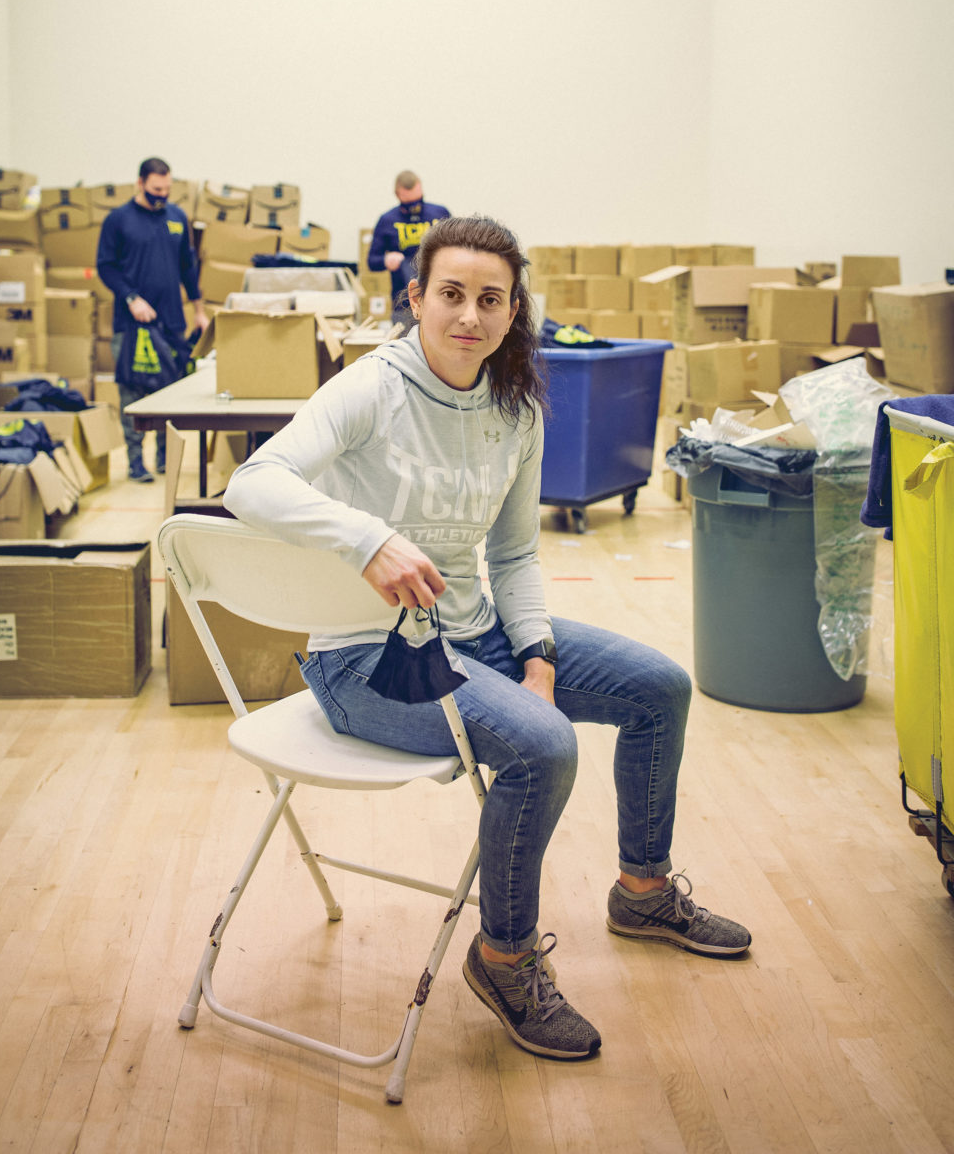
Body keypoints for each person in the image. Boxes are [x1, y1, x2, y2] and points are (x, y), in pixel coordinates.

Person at [223, 215, 751, 1063]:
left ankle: (643, 891)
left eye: (490, 299)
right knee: (544, 747)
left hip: (475, 633)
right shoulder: (371, 388)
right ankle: (503, 960)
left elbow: (513, 554)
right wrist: (367, 540)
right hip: (364, 659)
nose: (469, 315)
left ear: (513, 311)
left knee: (660, 688)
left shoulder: (517, 407)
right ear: (416, 299)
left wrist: (536, 654)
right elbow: (253, 483)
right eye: (452, 294)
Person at [97, 157, 208, 482]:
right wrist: (131, 298)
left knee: (170, 395)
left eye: (167, 189)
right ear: (140, 183)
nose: (162, 195)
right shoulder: (118, 220)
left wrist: (199, 311)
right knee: (132, 394)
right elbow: (106, 266)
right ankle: (135, 462)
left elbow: (188, 267)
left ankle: (164, 459)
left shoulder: (177, 217)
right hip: (132, 326)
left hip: (171, 323)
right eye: (156, 189)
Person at [366, 170, 450, 326]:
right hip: (403, 303)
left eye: (418, 200)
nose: (415, 207)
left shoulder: (439, 213)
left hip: (441, 297)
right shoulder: (387, 220)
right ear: (398, 195)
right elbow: (372, 261)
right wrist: (386, 260)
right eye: (409, 203)